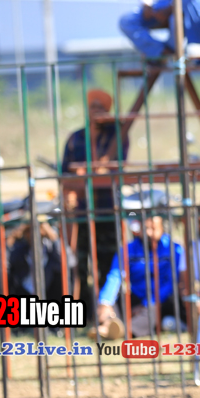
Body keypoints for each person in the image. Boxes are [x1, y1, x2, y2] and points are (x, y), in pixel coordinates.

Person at [61, 89, 130, 307]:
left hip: (107, 209)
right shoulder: (75, 138)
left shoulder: (116, 136)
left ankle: (108, 310)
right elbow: (64, 174)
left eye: (101, 107)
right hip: (82, 211)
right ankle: (84, 311)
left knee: (108, 264)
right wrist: (73, 188)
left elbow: (117, 168)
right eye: (93, 107)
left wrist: (87, 173)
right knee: (79, 264)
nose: (97, 111)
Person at [96, 212, 188, 339]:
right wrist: (105, 302)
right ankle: (107, 323)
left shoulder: (174, 249)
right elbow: (115, 276)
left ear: (163, 228)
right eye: (145, 228)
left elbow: (171, 282)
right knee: (108, 299)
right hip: (137, 295)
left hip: (160, 298)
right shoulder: (127, 249)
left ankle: (123, 331)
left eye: (153, 229)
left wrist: (146, 303)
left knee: (153, 311)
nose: (148, 233)